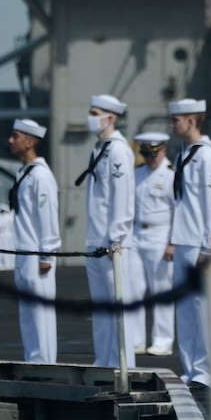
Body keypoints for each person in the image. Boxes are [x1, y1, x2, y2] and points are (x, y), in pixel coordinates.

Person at [76, 94, 138, 366]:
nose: (90, 117)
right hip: (95, 240)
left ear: (110, 118)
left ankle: (124, 364)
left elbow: (123, 199)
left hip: (113, 243)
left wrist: (116, 237)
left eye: (95, 112)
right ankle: (104, 361)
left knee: (117, 307)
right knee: (101, 309)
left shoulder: (118, 151)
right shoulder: (98, 149)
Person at [169, 98, 211, 388]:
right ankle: (191, 367)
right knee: (186, 309)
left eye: (176, 119)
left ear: (191, 120)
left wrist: (207, 247)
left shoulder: (207, 157)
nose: (171, 124)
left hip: (198, 244)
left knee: (203, 309)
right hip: (183, 239)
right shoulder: (183, 154)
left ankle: (206, 371)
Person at [8, 118, 60, 363]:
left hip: (37, 254)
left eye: (15, 136)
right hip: (23, 252)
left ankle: (46, 364)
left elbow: (47, 213)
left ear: (29, 142)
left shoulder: (40, 176)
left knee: (41, 314)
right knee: (27, 314)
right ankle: (33, 361)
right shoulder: (25, 173)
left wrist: (47, 253)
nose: (11, 140)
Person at [131, 132, 175, 356]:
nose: (150, 158)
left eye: (154, 154)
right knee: (134, 289)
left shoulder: (170, 175)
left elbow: (178, 211)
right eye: (146, 154)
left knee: (161, 289)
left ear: (164, 151)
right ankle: (136, 339)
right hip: (137, 233)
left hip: (160, 234)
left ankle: (163, 340)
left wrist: (172, 242)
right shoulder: (137, 174)